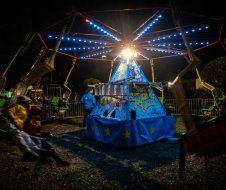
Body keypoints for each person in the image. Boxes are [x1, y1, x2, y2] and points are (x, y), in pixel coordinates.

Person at [6, 95, 69, 166]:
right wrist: (14, 120)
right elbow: (29, 129)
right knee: (38, 141)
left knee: (47, 144)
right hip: (23, 131)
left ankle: (58, 160)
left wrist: (43, 134)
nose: (38, 116)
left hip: (25, 132)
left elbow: (35, 130)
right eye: (28, 103)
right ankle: (38, 156)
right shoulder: (24, 113)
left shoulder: (31, 117)